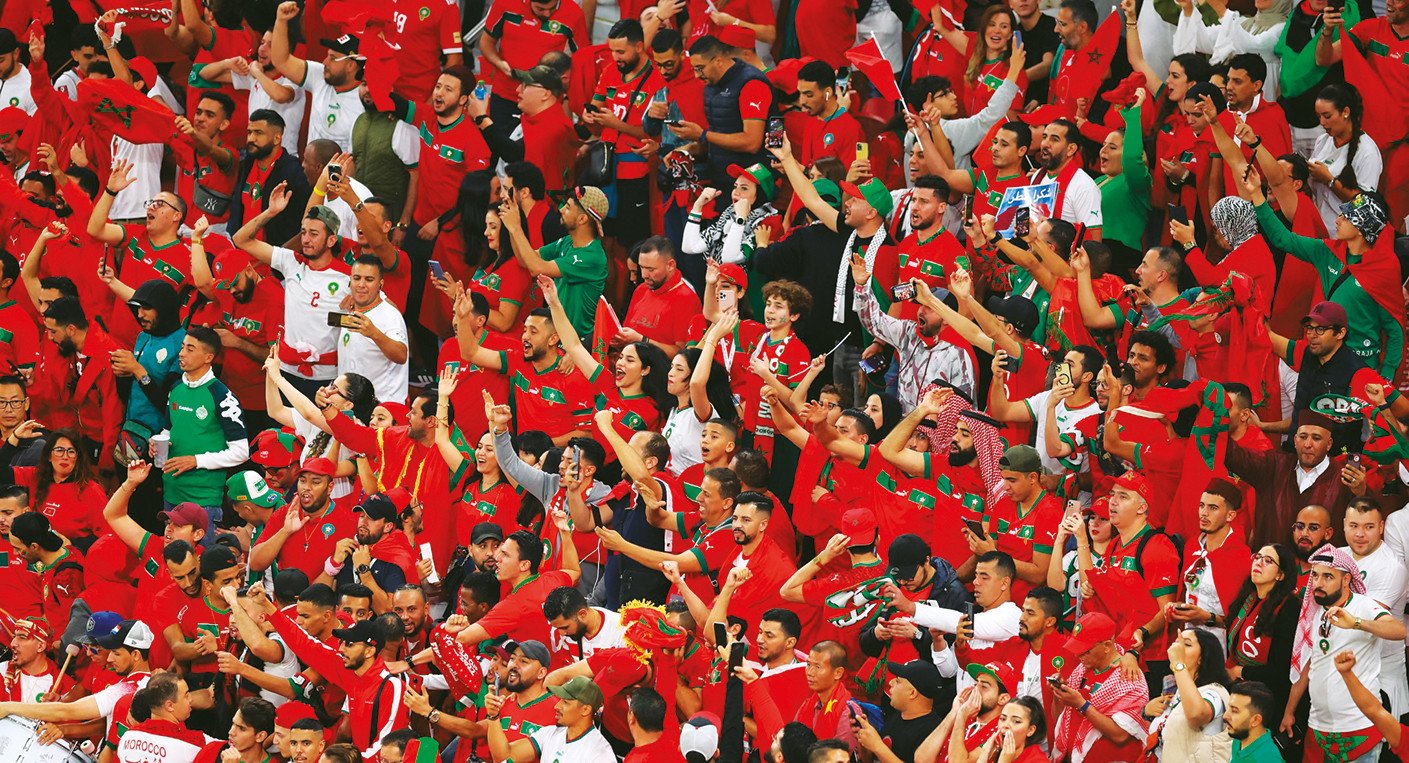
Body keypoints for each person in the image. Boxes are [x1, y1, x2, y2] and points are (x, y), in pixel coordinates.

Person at [1284, 544, 1406, 761]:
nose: (1319, 583)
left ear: (1347, 580)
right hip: (1317, 727)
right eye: (1316, 575)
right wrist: (1289, 711)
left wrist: (1356, 623)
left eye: (1328, 577)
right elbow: (1309, 665)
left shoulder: (1363, 605)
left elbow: (1399, 630)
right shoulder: (1316, 610)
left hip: (1358, 728)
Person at [234, 189, 351, 399]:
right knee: (285, 430)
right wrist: (270, 212)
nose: (305, 239)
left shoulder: (348, 277)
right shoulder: (292, 262)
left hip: (327, 378)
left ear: (331, 240)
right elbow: (240, 239)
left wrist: (352, 310)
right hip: (287, 371)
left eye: (314, 234)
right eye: (304, 232)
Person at [161, 326, 249, 529]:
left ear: (208, 357)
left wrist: (196, 461)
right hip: (171, 492)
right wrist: (157, 443)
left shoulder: (222, 396)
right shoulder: (176, 389)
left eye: (190, 349)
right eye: (182, 346)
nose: (181, 353)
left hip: (204, 499)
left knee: (200, 558)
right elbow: (168, 430)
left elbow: (241, 452)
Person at [499, 186, 609, 340]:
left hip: (578, 342)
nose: (561, 209)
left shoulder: (593, 257)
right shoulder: (568, 241)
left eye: (568, 207)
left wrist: (516, 227)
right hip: (557, 336)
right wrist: (512, 226)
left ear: (582, 219)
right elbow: (525, 260)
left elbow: (536, 268)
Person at [1050, 612, 1149, 762]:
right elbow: (1059, 717)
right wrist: (1058, 694)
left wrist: (1082, 705)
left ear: (1107, 646)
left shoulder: (1129, 675)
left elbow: (1120, 736)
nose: (1078, 655)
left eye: (1086, 650)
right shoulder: (1081, 670)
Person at [271, 2, 365, 151]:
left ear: (351, 65)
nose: (325, 62)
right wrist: (281, 21)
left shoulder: (365, 102)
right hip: (309, 172)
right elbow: (280, 61)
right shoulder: (319, 76)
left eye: (333, 58)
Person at [225, 110, 312, 245]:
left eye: (258, 133)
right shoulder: (246, 164)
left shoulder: (292, 172)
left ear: (277, 138)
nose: (251, 139)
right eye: (249, 132)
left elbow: (303, 218)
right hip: (241, 250)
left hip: (270, 256)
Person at [1143, 628, 1232, 760]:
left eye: (1187, 644)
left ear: (1202, 658)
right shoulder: (1173, 687)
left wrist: (1178, 664)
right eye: (1177, 643)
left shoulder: (1215, 692)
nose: (1177, 649)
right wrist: (1147, 713)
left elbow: (1196, 715)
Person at [1225, 681, 1285, 763]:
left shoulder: (1268, 759)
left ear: (1256, 720)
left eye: (1234, 710)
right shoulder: (1239, 737)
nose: (1225, 716)